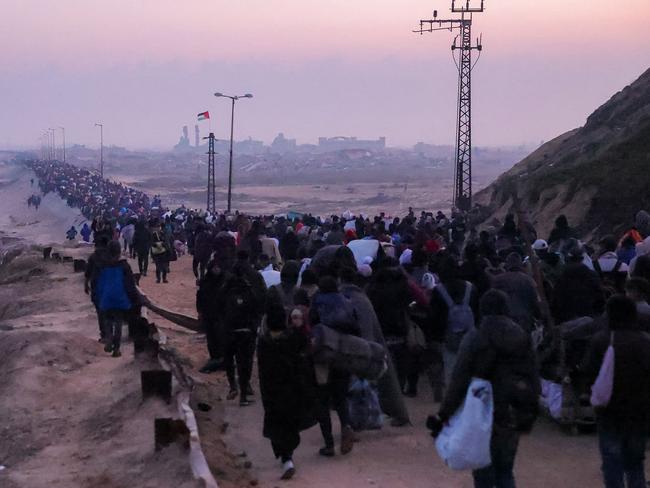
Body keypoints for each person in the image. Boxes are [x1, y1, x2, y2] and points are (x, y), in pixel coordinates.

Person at [428, 290, 540, 488]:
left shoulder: (475, 337)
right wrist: (529, 410)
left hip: (481, 409)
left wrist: (444, 414)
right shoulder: (521, 336)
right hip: (513, 410)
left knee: (483, 472)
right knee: (506, 470)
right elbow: (532, 375)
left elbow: (459, 381)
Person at [582, 295, 650, 488]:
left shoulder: (600, 340)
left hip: (609, 411)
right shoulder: (644, 342)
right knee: (636, 463)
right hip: (639, 411)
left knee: (612, 462)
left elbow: (588, 372)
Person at [258, 301, 317, 480]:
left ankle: (286, 459)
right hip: (292, 390)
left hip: (272, 392)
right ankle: (288, 457)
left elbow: (262, 370)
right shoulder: (293, 338)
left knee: (276, 427)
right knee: (290, 425)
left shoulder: (264, 342)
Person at [91, 240, 140, 357]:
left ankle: (109, 338)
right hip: (120, 297)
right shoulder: (124, 266)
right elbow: (130, 284)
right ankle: (117, 348)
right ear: (119, 251)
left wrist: (96, 296)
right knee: (118, 322)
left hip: (106, 297)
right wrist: (135, 298)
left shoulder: (102, 265)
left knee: (107, 320)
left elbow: (96, 282)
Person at [491, 252, 541, 333]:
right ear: (520, 264)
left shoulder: (497, 280)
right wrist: (540, 317)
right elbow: (535, 302)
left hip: (503, 322)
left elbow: (490, 301)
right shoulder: (528, 280)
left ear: (507, 264)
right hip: (523, 322)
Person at [196, 260, 228, 373]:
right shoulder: (205, 281)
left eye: (218, 267)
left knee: (221, 337)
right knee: (211, 338)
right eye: (214, 268)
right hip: (208, 314)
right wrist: (200, 311)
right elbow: (199, 297)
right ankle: (214, 358)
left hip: (221, 315)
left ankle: (222, 360)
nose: (216, 270)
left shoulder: (225, 282)